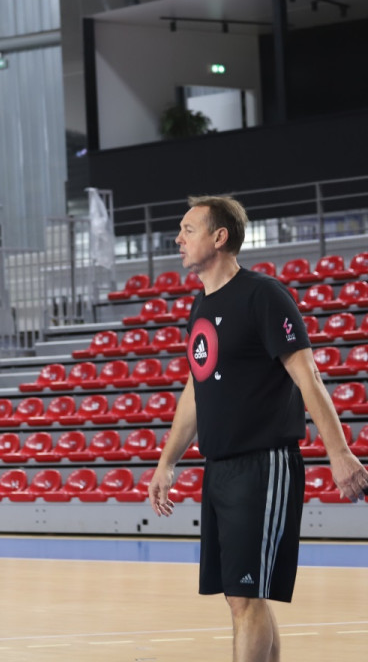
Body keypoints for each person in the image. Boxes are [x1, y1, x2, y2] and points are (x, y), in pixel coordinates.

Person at [149, 195, 368, 662]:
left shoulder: (263, 295)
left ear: (219, 236)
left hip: (263, 465)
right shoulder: (201, 306)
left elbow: (307, 377)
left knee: (248, 596)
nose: (178, 238)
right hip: (220, 468)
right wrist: (168, 461)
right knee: (240, 596)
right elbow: (195, 389)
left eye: (189, 229)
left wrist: (339, 453)